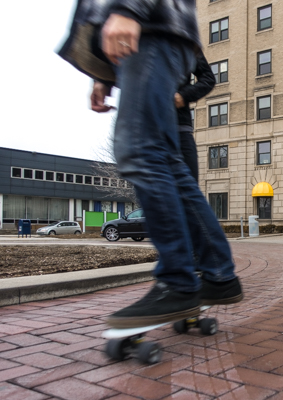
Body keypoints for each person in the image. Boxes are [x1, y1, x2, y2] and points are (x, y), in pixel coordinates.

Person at [58, 0, 242, 329]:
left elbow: (206, 78)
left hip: (152, 28)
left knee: (139, 152)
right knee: (169, 170)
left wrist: (129, 8)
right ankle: (216, 274)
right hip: (146, 37)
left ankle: (180, 281)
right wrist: (104, 75)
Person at [176, 51, 215, 182]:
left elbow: (208, 78)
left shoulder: (185, 40)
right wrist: (108, 84)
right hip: (148, 129)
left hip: (180, 128)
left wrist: (183, 95)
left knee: (190, 187)